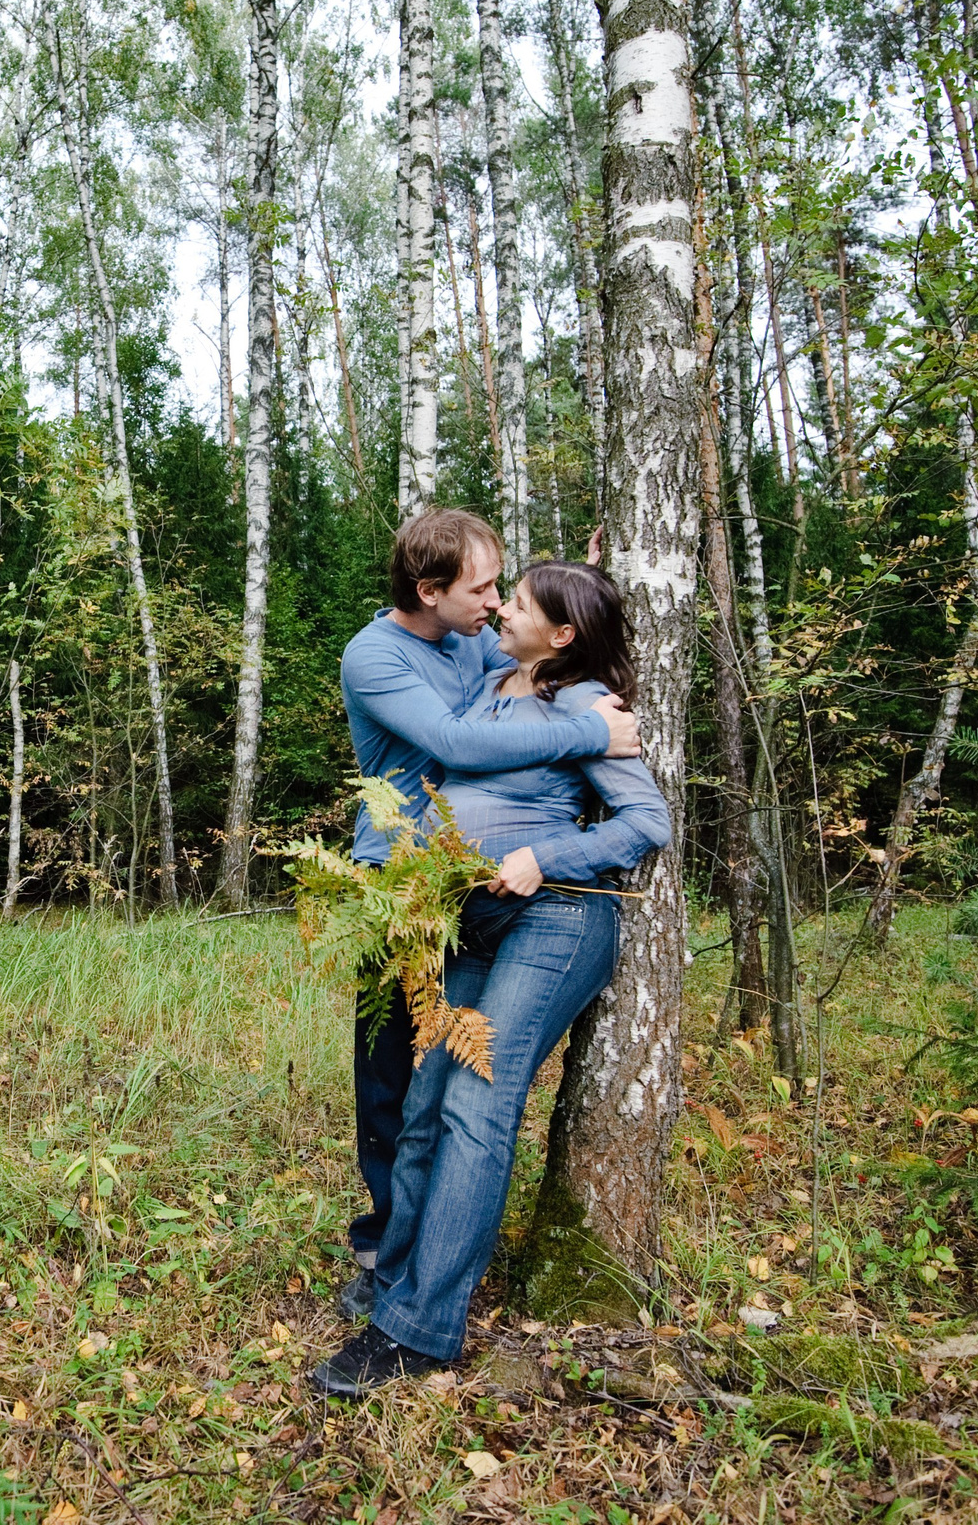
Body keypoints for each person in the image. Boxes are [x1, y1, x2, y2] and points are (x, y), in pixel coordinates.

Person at [314, 560, 670, 1397]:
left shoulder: (584, 705)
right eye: (497, 593)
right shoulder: (484, 687)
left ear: (562, 634)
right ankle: (395, 1282)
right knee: (427, 1100)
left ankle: (419, 1331)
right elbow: (455, 751)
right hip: (473, 918)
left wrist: (543, 856)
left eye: (519, 601)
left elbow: (646, 822)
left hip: (560, 917)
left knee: (478, 1100)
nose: (501, 608)